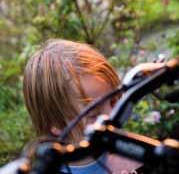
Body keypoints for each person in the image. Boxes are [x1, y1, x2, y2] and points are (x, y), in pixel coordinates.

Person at [23, 39, 141, 174]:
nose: (112, 115)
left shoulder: (126, 151)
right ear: (57, 123)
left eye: (114, 101)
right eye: (94, 114)